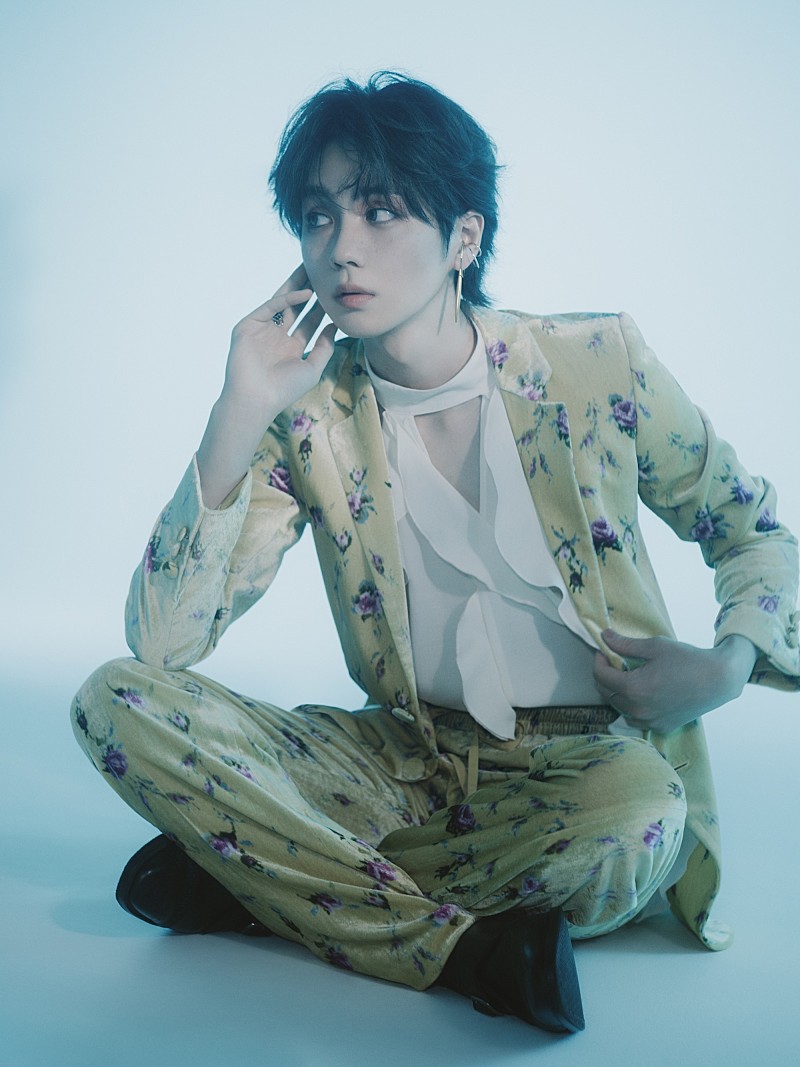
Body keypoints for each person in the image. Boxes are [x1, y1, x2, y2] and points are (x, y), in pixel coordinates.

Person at [71, 72, 799, 1036]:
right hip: (400, 759)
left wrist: (728, 666)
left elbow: (751, 528)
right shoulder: (308, 418)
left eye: (380, 210)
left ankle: (268, 880)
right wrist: (237, 409)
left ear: (464, 237)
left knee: (639, 822)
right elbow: (164, 646)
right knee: (115, 701)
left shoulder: (597, 363)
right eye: (319, 215)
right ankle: (463, 948)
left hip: (585, 764)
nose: (342, 245)